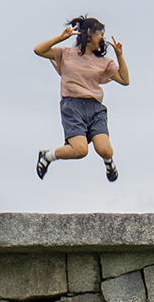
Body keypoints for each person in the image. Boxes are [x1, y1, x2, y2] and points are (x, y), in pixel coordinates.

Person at [34, 16, 130, 181]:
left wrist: (120, 56)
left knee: (106, 150)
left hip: (95, 108)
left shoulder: (103, 62)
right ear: (89, 33)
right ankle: (47, 156)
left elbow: (124, 80)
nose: (102, 38)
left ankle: (109, 163)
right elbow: (38, 50)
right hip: (73, 105)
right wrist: (60, 38)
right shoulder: (66, 54)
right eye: (100, 34)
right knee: (80, 150)